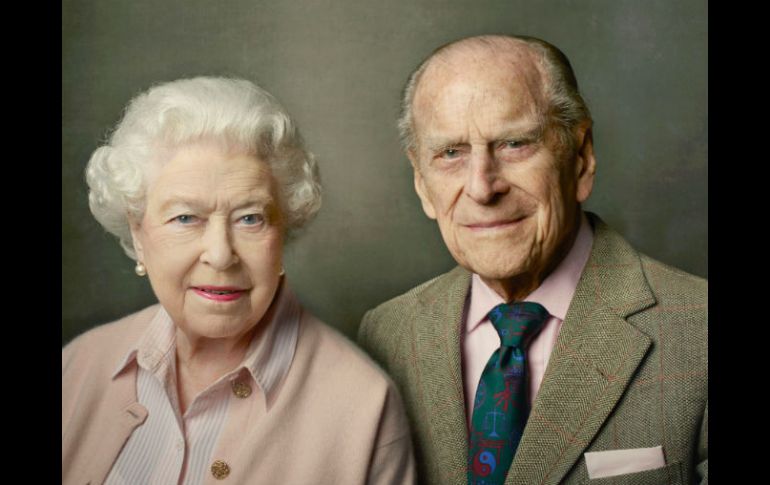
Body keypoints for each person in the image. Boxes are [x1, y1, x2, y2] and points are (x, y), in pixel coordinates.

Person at [358, 35, 707, 485]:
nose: (483, 188)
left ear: (580, 158)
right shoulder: (384, 336)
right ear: (422, 183)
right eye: (450, 153)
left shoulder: (698, 333)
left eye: (515, 144)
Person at [62, 76, 416, 485]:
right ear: (139, 235)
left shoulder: (365, 408)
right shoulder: (78, 366)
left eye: (250, 218)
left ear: (283, 231)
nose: (220, 253)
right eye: (185, 218)